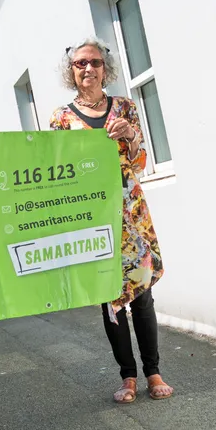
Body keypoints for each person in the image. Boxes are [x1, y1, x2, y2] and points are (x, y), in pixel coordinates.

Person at [49, 37, 173, 404]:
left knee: (143, 296)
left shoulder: (125, 107)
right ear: (71, 72)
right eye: (80, 64)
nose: (88, 68)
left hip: (131, 214)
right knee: (110, 301)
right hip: (92, 218)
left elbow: (138, 164)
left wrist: (132, 135)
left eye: (95, 62)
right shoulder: (61, 118)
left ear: (106, 68)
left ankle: (153, 372)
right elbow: (57, 172)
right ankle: (128, 377)